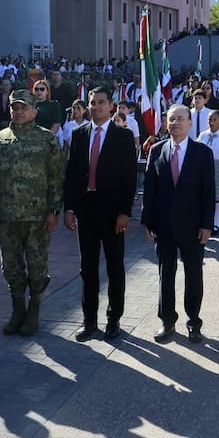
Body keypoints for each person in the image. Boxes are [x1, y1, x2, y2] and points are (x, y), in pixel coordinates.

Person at [63, 85, 139, 341]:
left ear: (112, 106)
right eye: (93, 103)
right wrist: (70, 208)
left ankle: (114, 318)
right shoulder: (79, 134)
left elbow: (129, 179)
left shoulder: (123, 136)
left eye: (101, 102)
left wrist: (125, 212)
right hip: (86, 210)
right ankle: (89, 321)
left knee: (115, 267)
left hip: (113, 213)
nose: (96, 107)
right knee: (88, 268)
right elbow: (72, 175)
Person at [0, 89, 64, 336]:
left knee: (37, 265)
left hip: (37, 216)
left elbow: (57, 177)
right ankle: (17, 308)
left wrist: (54, 210)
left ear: (34, 110)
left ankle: (34, 309)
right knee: (10, 266)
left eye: (24, 108)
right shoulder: (0, 138)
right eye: (14, 108)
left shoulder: (46, 140)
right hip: (8, 216)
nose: (18, 112)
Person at [142, 104, 215, 343]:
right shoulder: (156, 150)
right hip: (164, 226)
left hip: (193, 226)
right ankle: (167, 321)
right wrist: (147, 221)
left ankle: (194, 321)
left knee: (193, 275)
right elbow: (149, 189)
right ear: (166, 123)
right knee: (166, 274)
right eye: (171, 119)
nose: (176, 123)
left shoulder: (202, 153)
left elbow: (208, 191)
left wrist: (207, 224)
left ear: (190, 122)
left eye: (181, 119)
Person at [196, 109, 219, 232]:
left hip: (218, 166)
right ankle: (204, 221)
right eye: (210, 120)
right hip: (204, 167)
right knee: (204, 195)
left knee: (217, 197)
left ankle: (216, 223)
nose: (211, 122)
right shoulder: (203, 135)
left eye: (214, 120)